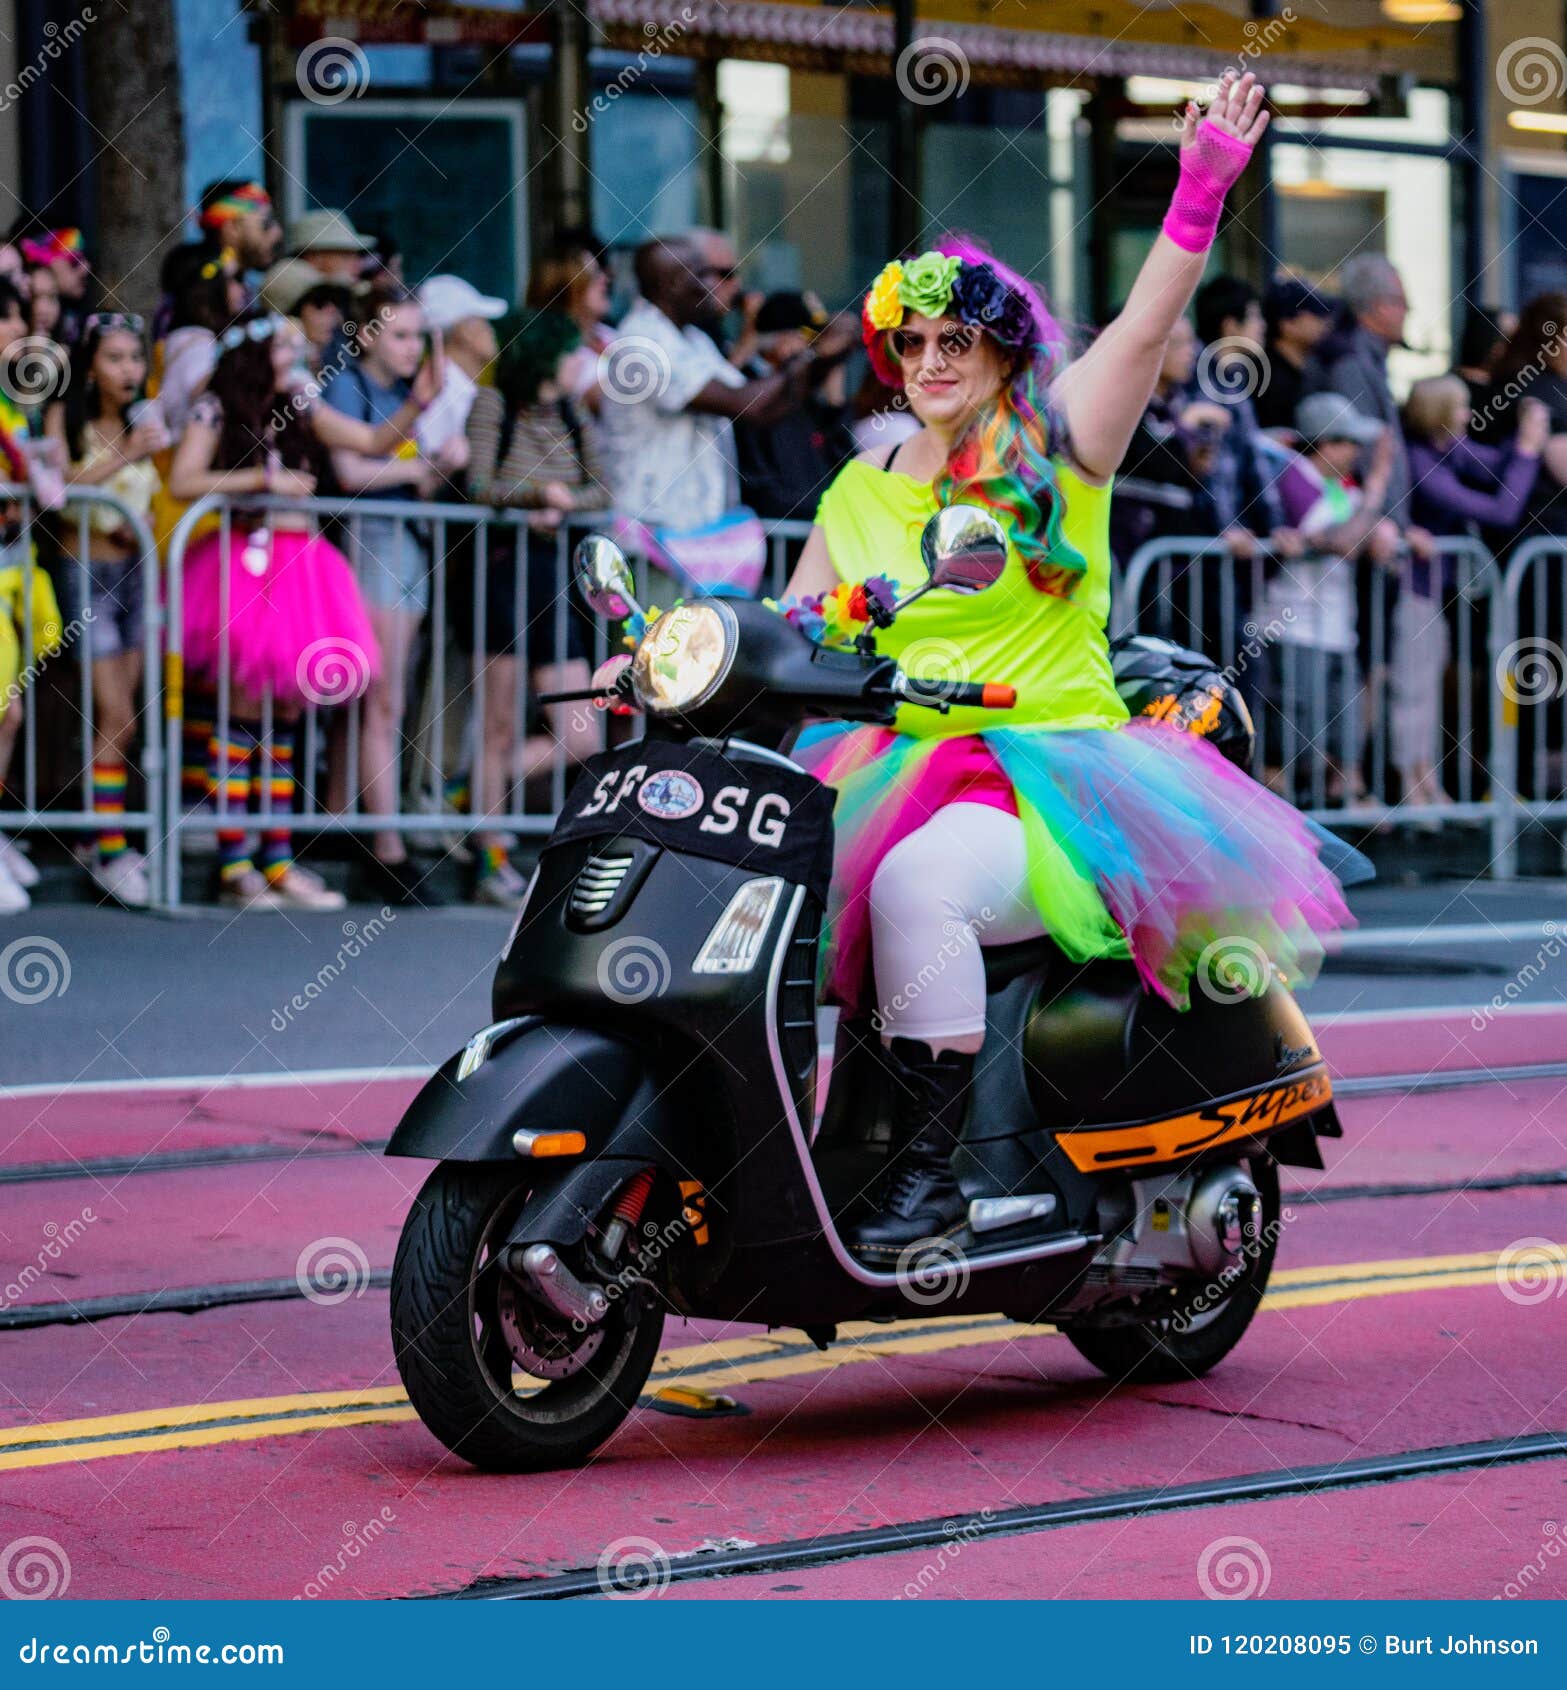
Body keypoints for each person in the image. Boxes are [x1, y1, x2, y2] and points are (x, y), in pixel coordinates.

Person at [779, 73, 1360, 1258]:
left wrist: (1198, 191)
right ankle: (781, 1150)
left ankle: (930, 1178)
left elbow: (1144, 324)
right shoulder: (862, 482)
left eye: (959, 340)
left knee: (915, 890)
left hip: (1047, 775)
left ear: (1001, 352)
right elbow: (792, 624)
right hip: (886, 762)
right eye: (913, 342)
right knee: (752, 891)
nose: (932, 360)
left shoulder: (1059, 442)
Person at [166, 311, 401, 910]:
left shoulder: (302, 406)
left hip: (304, 570)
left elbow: (373, 442)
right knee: (241, 715)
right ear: (254, 351)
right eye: (285, 345)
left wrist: (423, 400)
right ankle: (234, 863)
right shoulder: (214, 408)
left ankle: (276, 861)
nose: (298, 356)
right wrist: (259, 478)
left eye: (301, 346)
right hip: (243, 566)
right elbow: (183, 481)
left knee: (286, 718)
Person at [460, 309, 611, 905]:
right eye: (573, 351)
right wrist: (534, 498)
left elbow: (603, 487)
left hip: (552, 572)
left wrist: (566, 503)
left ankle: (470, 793)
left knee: (583, 735)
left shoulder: (575, 414)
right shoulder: (493, 405)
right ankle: (488, 855)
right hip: (501, 568)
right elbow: (477, 484)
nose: (582, 363)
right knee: (497, 722)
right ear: (547, 355)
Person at [319, 285, 460, 904]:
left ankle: (340, 819)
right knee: (383, 697)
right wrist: (421, 465)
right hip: (373, 542)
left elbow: (413, 474)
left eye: (420, 336)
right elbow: (351, 473)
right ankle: (388, 849)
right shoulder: (348, 385)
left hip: (401, 542)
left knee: (368, 694)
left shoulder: (402, 394)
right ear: (369, 335)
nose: (414, 348)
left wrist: (428, 467)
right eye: (402, 335)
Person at [601, 237, 856, 556]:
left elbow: (765, 407)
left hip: (698, 539)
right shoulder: (640, 342)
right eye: (704, 273)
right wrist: (815, 356)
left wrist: (827, 359)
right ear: (672, 283)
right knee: (661, 610)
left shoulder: (693, 339)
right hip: (653, 538)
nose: (717, 286)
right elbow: (745, 404)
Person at [41, 313, 166, 906]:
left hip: (135, 574)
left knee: (122, 718)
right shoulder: (69, 418)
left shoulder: (142, 421)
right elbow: (59, 489)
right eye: (115, 358)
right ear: (91, 364)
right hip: (86, 571)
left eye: (135, 359)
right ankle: (109, 847)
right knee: (114, 711)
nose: (128, 370)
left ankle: (100, 834)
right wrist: (125, 456)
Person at [1401, 378, 1549, 809]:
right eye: (1461, 407)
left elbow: (1494, 465)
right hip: (1413, 589)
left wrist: (1522, 441)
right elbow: (1501, 510)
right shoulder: (1421, 462)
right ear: (1439, 413)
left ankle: (1427, 784)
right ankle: (1413, 787)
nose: (1469, 415)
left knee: (1427, 684)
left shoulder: (1449, 449)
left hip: (1437, 589)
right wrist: (1526, 450)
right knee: (1415, 689)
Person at [1257, 392, 1402, 807]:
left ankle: (1335, 815)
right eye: (1350, 442)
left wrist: (1382, 527)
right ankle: (1275, 819)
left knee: (1343, 735)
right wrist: (1375, 493)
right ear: (1327, 443)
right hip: (1291, 627)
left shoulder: (1339, 489)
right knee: (1286, 743)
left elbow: (1368, 535)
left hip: (1337, 631)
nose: (1358, 453)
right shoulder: (1294, 476)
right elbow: (1347, 541)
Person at [0, 277, 63, 913]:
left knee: (10, 708)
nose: (19, 331)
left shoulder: (12, 400)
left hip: (13, 570)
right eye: (8, 320)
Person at [735, 290, 855, 521]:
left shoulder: (808, 400)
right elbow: (762, 492)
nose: (817, 350)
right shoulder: (746, 394)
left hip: (810, 539)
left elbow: (847, 468)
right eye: (812, 337)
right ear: (782, 341)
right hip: (777, 543)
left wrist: (834, 399)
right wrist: (827, 514)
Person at [414, 274, 506, 459]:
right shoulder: (440, 389)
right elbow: (432, 459)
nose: (491, 330)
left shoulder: (458, 384)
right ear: (464, 332)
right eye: (484, 321)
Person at [525, 242, 614, 413]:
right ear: (568, 289)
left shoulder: (606, 334)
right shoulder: (552, 353)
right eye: (594, 276)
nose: (605, 279)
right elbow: (605, 400)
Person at [1254, 277, 1333, 434]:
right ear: (1287, 323)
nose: (1324, 321)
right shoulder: (1266, 378)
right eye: (1315, 313)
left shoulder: (1312, 370)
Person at [285, 209, 377, 283]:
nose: (358, 265)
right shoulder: (288, 277)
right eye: (346, 256)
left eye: (356, 256)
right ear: (315, 256)